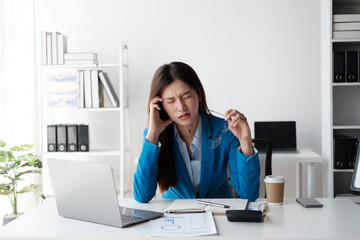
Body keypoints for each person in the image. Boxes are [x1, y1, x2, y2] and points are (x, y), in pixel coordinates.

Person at [133, 62, 260, 203]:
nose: (181, 107)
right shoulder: (155, 135)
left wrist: (245, 140)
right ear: (160, 106)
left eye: (186, 96)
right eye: (170, 101)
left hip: (219, 216)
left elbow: (249, 194)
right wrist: (152, 135)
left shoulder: (227, 130)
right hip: (174, 219)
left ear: (198, 95)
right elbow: (142, 196)